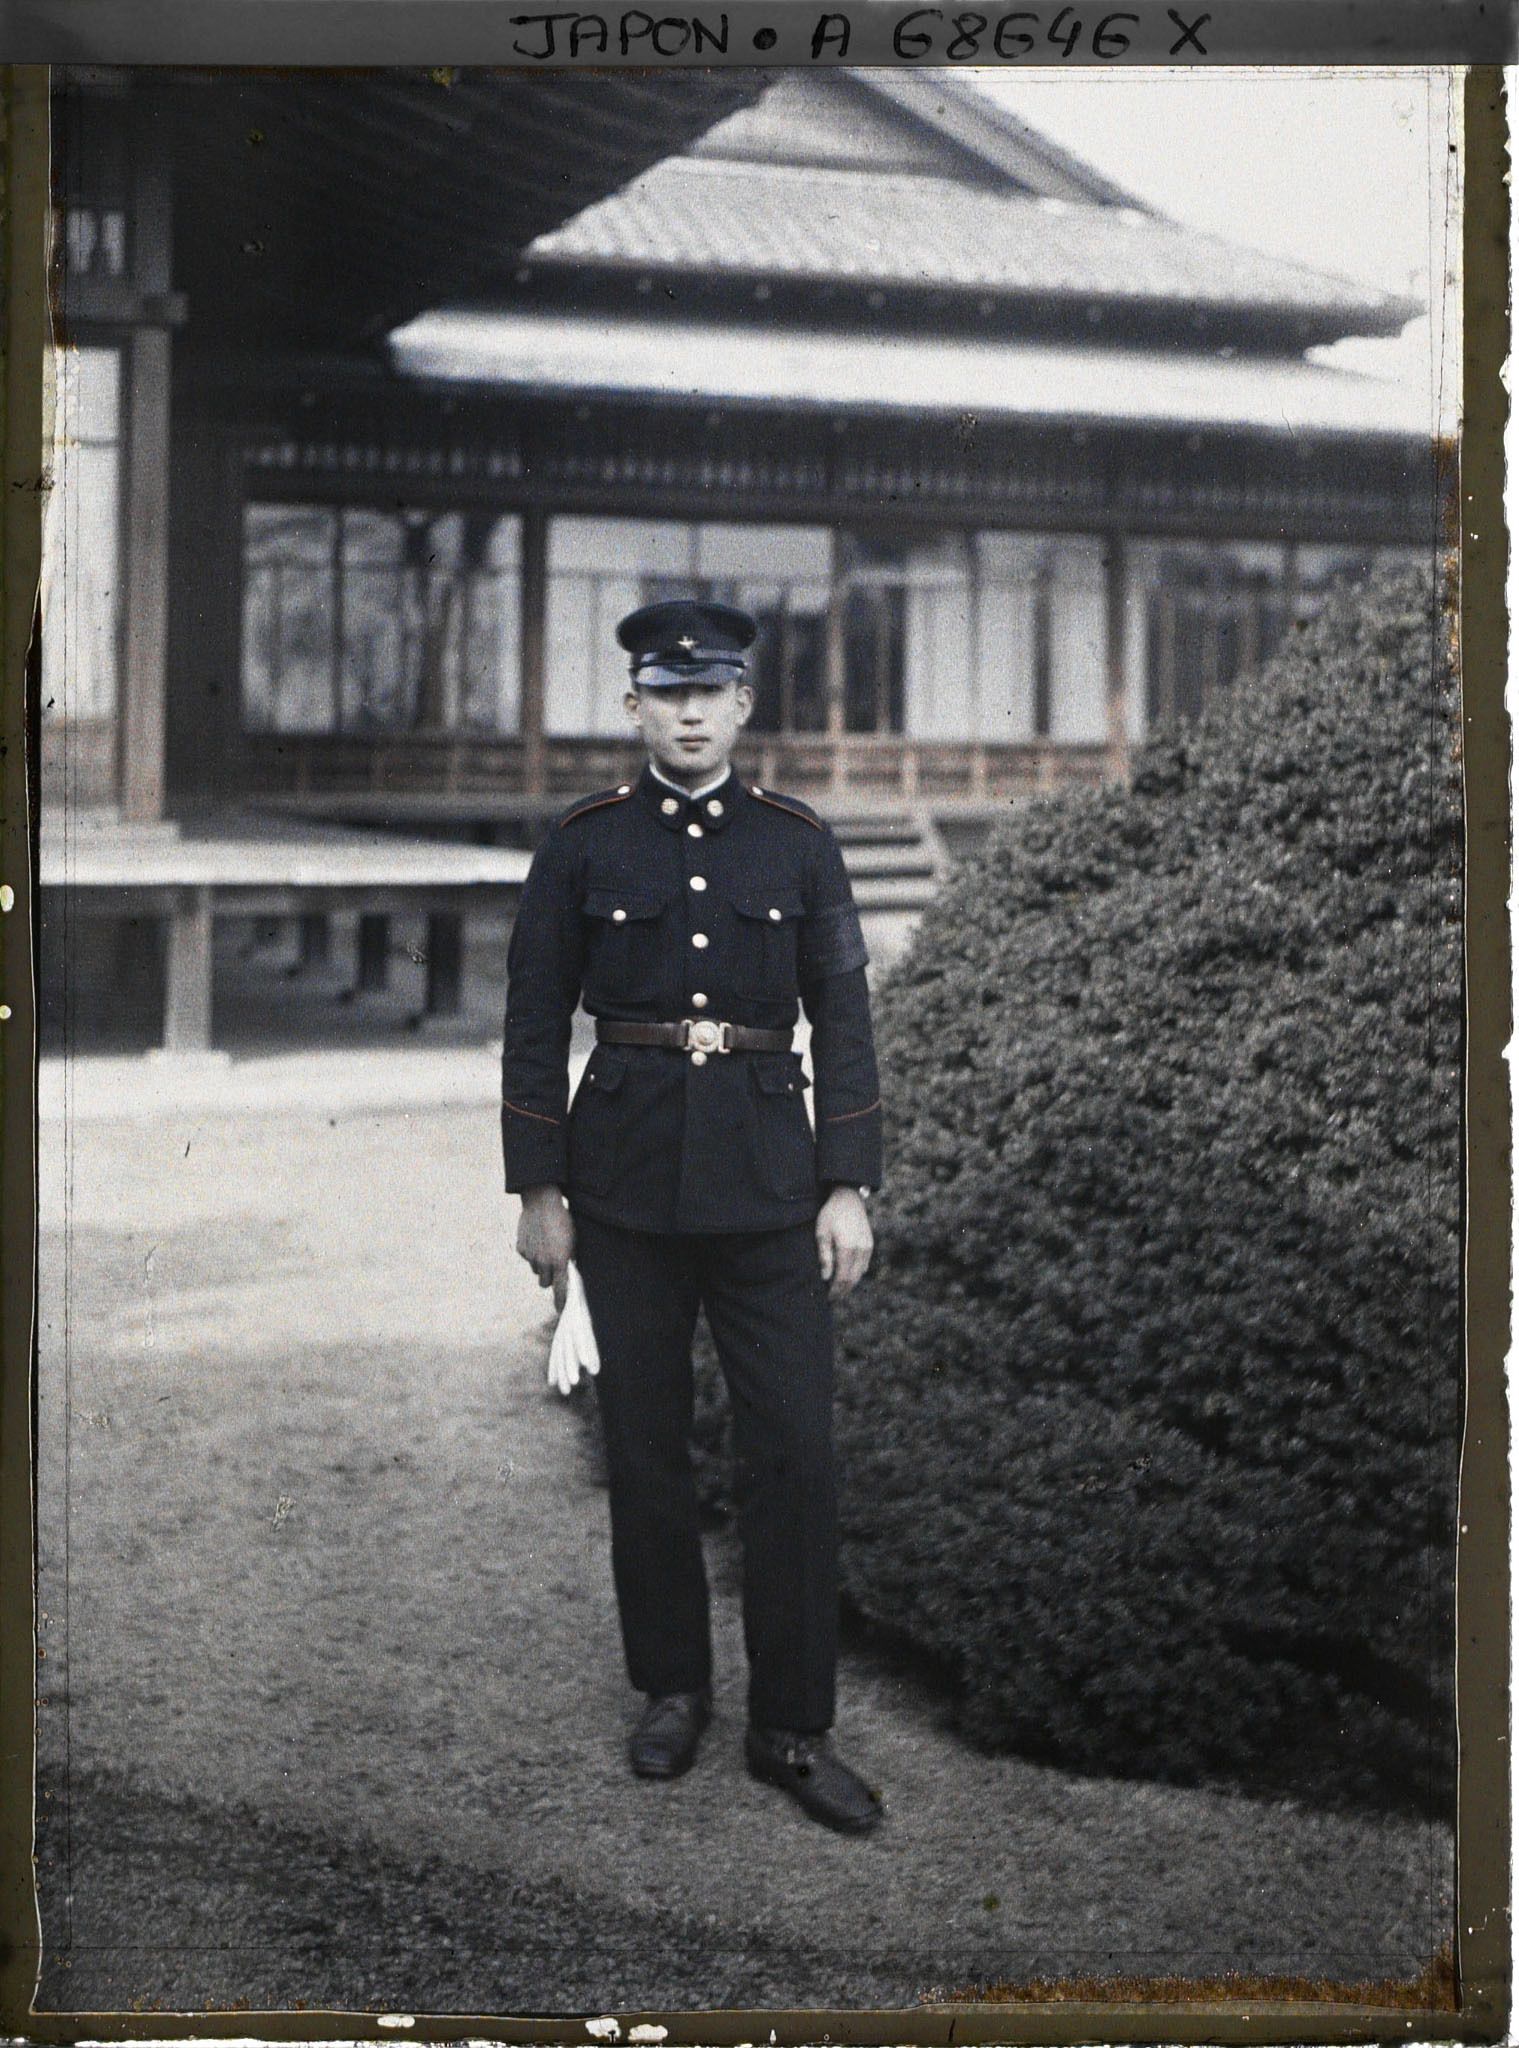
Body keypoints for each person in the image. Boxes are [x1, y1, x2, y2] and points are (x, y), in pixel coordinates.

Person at [501, 598, 884, 1835]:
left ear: (742, 706)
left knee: (794, 1451)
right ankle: (672, 1688)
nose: (688, 712)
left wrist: (847, 1181)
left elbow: (845, 1014)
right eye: (666, 693)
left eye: (709, 692)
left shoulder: (799, 845)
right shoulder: (583, 846)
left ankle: (792, 1723)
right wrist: (539, 1191)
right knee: (648, 1451)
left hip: (772, 1189)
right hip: (621, 1191)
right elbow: (529, 1022)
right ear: (633, 708)